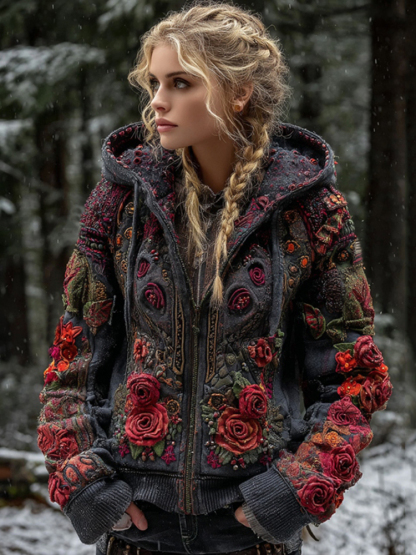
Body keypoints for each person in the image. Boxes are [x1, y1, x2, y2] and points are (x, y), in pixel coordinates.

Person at [37, 2, 393, 555]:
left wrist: (292, 493)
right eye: (155, 83)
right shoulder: (121, 201)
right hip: (137, 532)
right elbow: (74, 359)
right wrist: (84, 483)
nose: (158, 100)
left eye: (180, 83)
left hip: (252, 535)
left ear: (239, 92)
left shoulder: (311, 212)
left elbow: (354, 375)